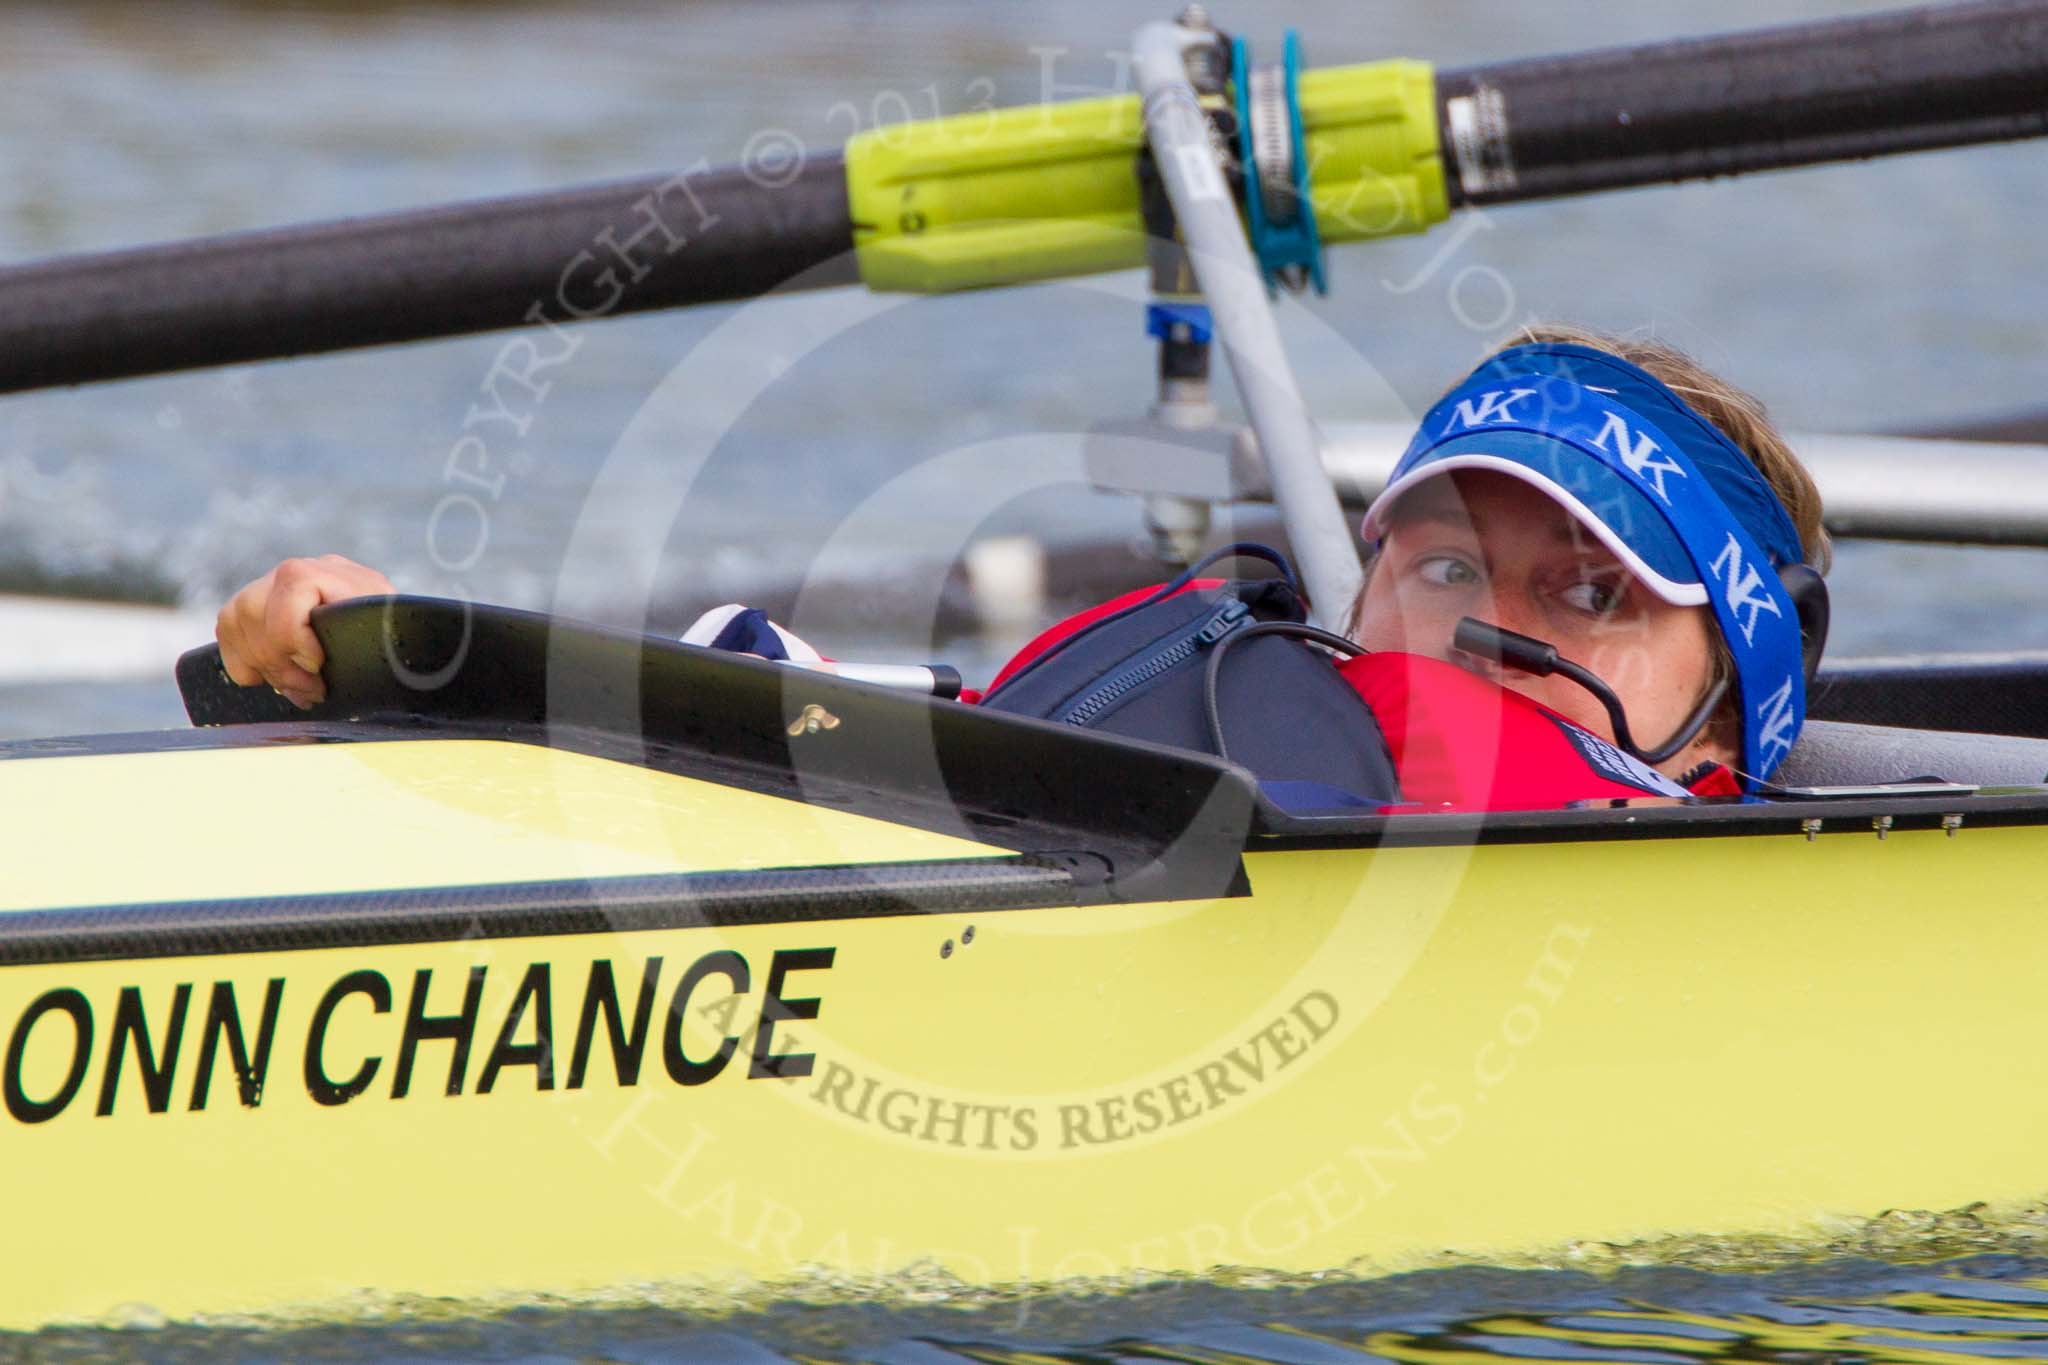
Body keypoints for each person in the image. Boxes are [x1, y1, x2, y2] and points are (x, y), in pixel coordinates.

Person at [214, 324, 1830, 808]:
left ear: (1731, 715)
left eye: (1596, 591)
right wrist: (412, 654)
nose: (1493, 628)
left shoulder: (1636, 809)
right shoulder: (1248, 671)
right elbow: (811, 702)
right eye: (1449, 563)